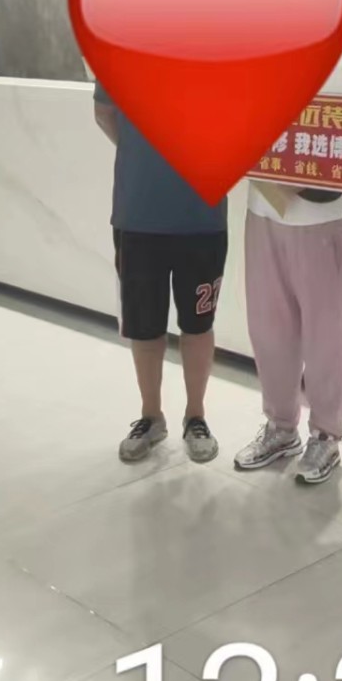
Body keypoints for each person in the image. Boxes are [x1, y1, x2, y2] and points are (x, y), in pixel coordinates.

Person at [235, 48, 342, 484]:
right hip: (263, 213)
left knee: (326, 337)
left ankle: (326, 434)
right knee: (268, 329)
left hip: (323, 222)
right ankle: (280, 426)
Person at [93, 81, 228, 464]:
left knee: (198, 323)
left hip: (202, 215)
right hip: (139, 213)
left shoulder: (222, 57)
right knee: (144, 324)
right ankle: (151, 416)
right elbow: (104, 113)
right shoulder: (120, 54)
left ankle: (196, 416)